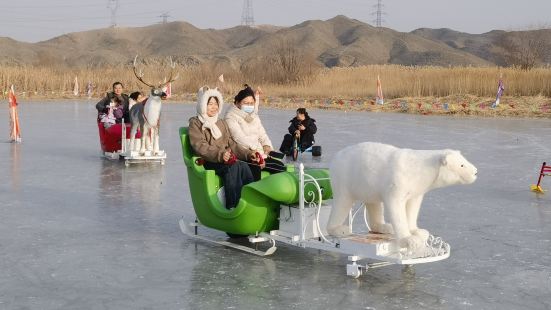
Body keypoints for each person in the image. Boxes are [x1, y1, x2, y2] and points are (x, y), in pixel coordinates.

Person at [188, 86, 260, 210]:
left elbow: (231, 143)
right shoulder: (196, 123)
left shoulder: (221, 123)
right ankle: (233, 205)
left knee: (243, 165)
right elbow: (200, 146)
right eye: (210, 104)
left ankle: (249, 202)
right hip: (209, 161)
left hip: (225, 159)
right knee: (233, 166)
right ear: (202, 105)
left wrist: (249, 154)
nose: (214, 107)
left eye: (216, 104)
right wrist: (221, 154)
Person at [225, 84, 285, 181]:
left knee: (279, 166)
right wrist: (256, 151)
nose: (249, 106)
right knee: (256, 168)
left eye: (251, 103)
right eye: (246, 103)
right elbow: (239, 138)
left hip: (259, 153)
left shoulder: (254, 116)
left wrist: (266, 146)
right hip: (244, 154)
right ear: (237, 103)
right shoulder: (231, 117)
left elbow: (262, 133)